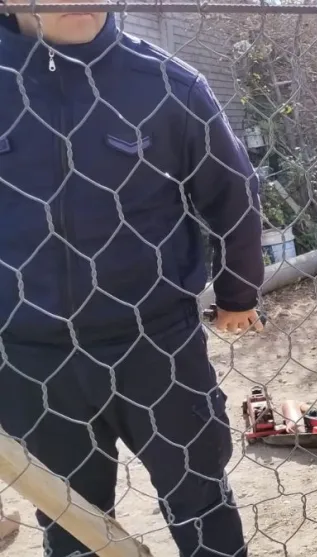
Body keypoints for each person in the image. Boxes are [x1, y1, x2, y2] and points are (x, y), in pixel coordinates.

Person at [0, 3, 263, 556]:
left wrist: (238, 294)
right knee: (72, 524)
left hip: (155, 349)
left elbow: (232, 193)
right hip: (32, 359)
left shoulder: (167, 84)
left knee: (201, 503)